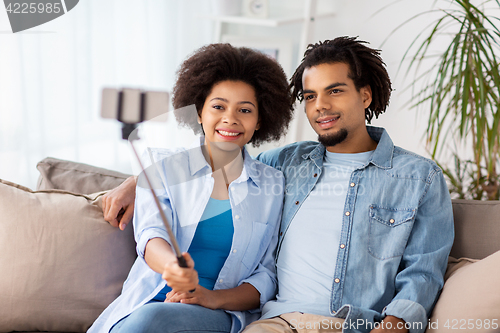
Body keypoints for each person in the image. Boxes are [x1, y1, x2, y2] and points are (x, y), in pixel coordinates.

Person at [102, 37, 454, 333]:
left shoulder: (419, 178)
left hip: (352, 324)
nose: (321, 107)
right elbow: (220, 159)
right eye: (311, 96)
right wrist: (137, 181)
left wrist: (394, 325)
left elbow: (424, 270)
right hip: (276, 322)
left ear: (365, 95)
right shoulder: (287, 164)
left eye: (334, 91)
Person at [89, 43, 294, 333]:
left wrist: (210, 298)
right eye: (218, 106)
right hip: (147, 302)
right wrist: (171, 267)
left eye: (244, 110)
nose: (230, 119)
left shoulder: (272, 185)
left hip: (215, 313)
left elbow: (265, 276)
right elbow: (151, 235)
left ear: (260, 120)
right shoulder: (161, 167)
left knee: (155, 320)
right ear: (199, 112)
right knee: (149, 318)